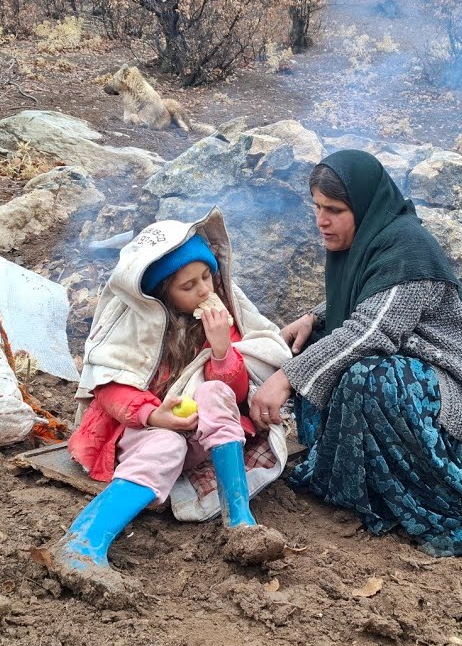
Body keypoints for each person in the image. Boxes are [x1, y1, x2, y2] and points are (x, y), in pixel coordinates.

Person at [249, 149, 462, 560]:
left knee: (367, 379)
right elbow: (372, 299)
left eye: (334, 210)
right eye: (317, 207)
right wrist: (313, 316)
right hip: (430, 364)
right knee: (323, 345)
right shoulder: (373, 239)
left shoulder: (408, 248)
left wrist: (285, 378)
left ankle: (419, 490)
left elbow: (375, 328)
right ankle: (372, 481)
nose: (321, 221)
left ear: (365, 207)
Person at [50, 210, 293, 602]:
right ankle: (83, 543)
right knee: (168, 444)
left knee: (215, 394)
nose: (202, 291)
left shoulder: (224, 317)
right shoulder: (134, 325)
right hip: (141, 431)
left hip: (205, 433)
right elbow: (111, 387)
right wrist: (154, 415)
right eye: (187, 286)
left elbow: (235, 390)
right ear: (162, 293)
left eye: (206, 278)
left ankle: (239, 519)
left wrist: (220, 349)